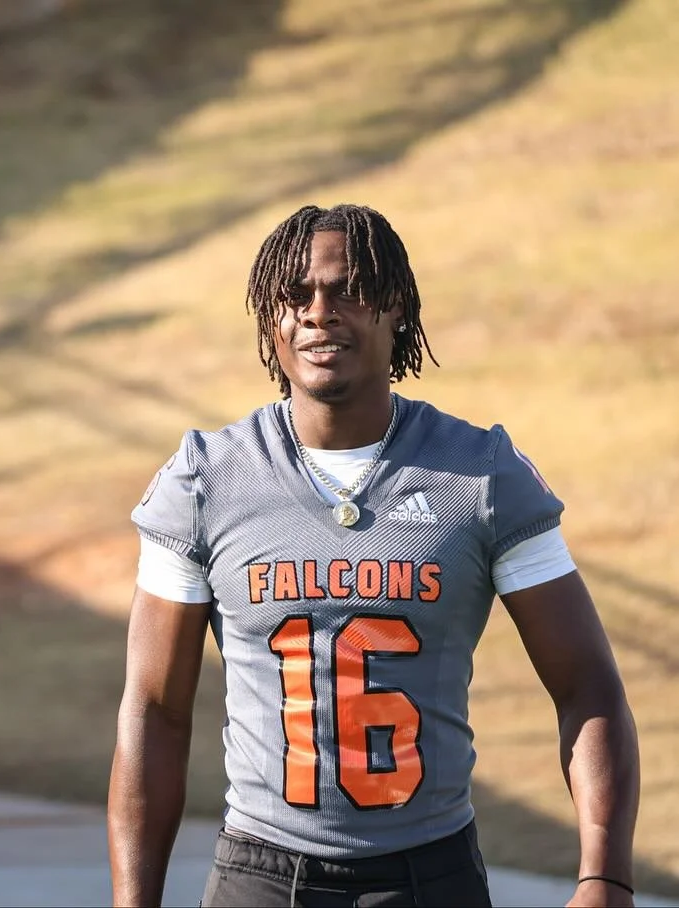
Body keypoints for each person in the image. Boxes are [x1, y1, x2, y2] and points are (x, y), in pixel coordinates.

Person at [108, 203, 640, 907]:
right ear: (271, 323)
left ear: (396, 309)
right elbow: (154, 711)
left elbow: (587, 687)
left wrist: (604, 874)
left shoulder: (480, 475)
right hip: (261, 875)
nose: (318, 312)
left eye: (346, 289)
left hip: (430, 874)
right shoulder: (206, 478)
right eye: (295, 295)